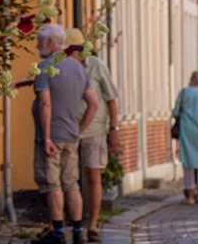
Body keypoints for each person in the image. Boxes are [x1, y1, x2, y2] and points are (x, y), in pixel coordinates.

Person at [33, 25, 98, 244]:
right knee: (72, 183)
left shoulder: (45, 66)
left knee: (53, 184)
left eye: (40, 41)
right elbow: (93, 104)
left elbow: (45, 104)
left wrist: (48, 137)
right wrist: (79, 129)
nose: (37, 45)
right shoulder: (79, 68)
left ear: (51, 42)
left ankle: (59, 233)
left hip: (52, 138)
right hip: (71, 136)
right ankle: (78, 231)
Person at [70, 28, 120, 243]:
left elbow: (111, 99)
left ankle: (92, 225)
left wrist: (114, 130)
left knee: (93, 177)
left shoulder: (97, 66)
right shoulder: (63, 67)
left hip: (95, 129)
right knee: (69, 179)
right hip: (70, 131)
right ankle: (75, 223)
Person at [173, 70, 198, 205]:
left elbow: (176, 111)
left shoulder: (184, 93)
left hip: (187, 130)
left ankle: (189, 194)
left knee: (188, 162)